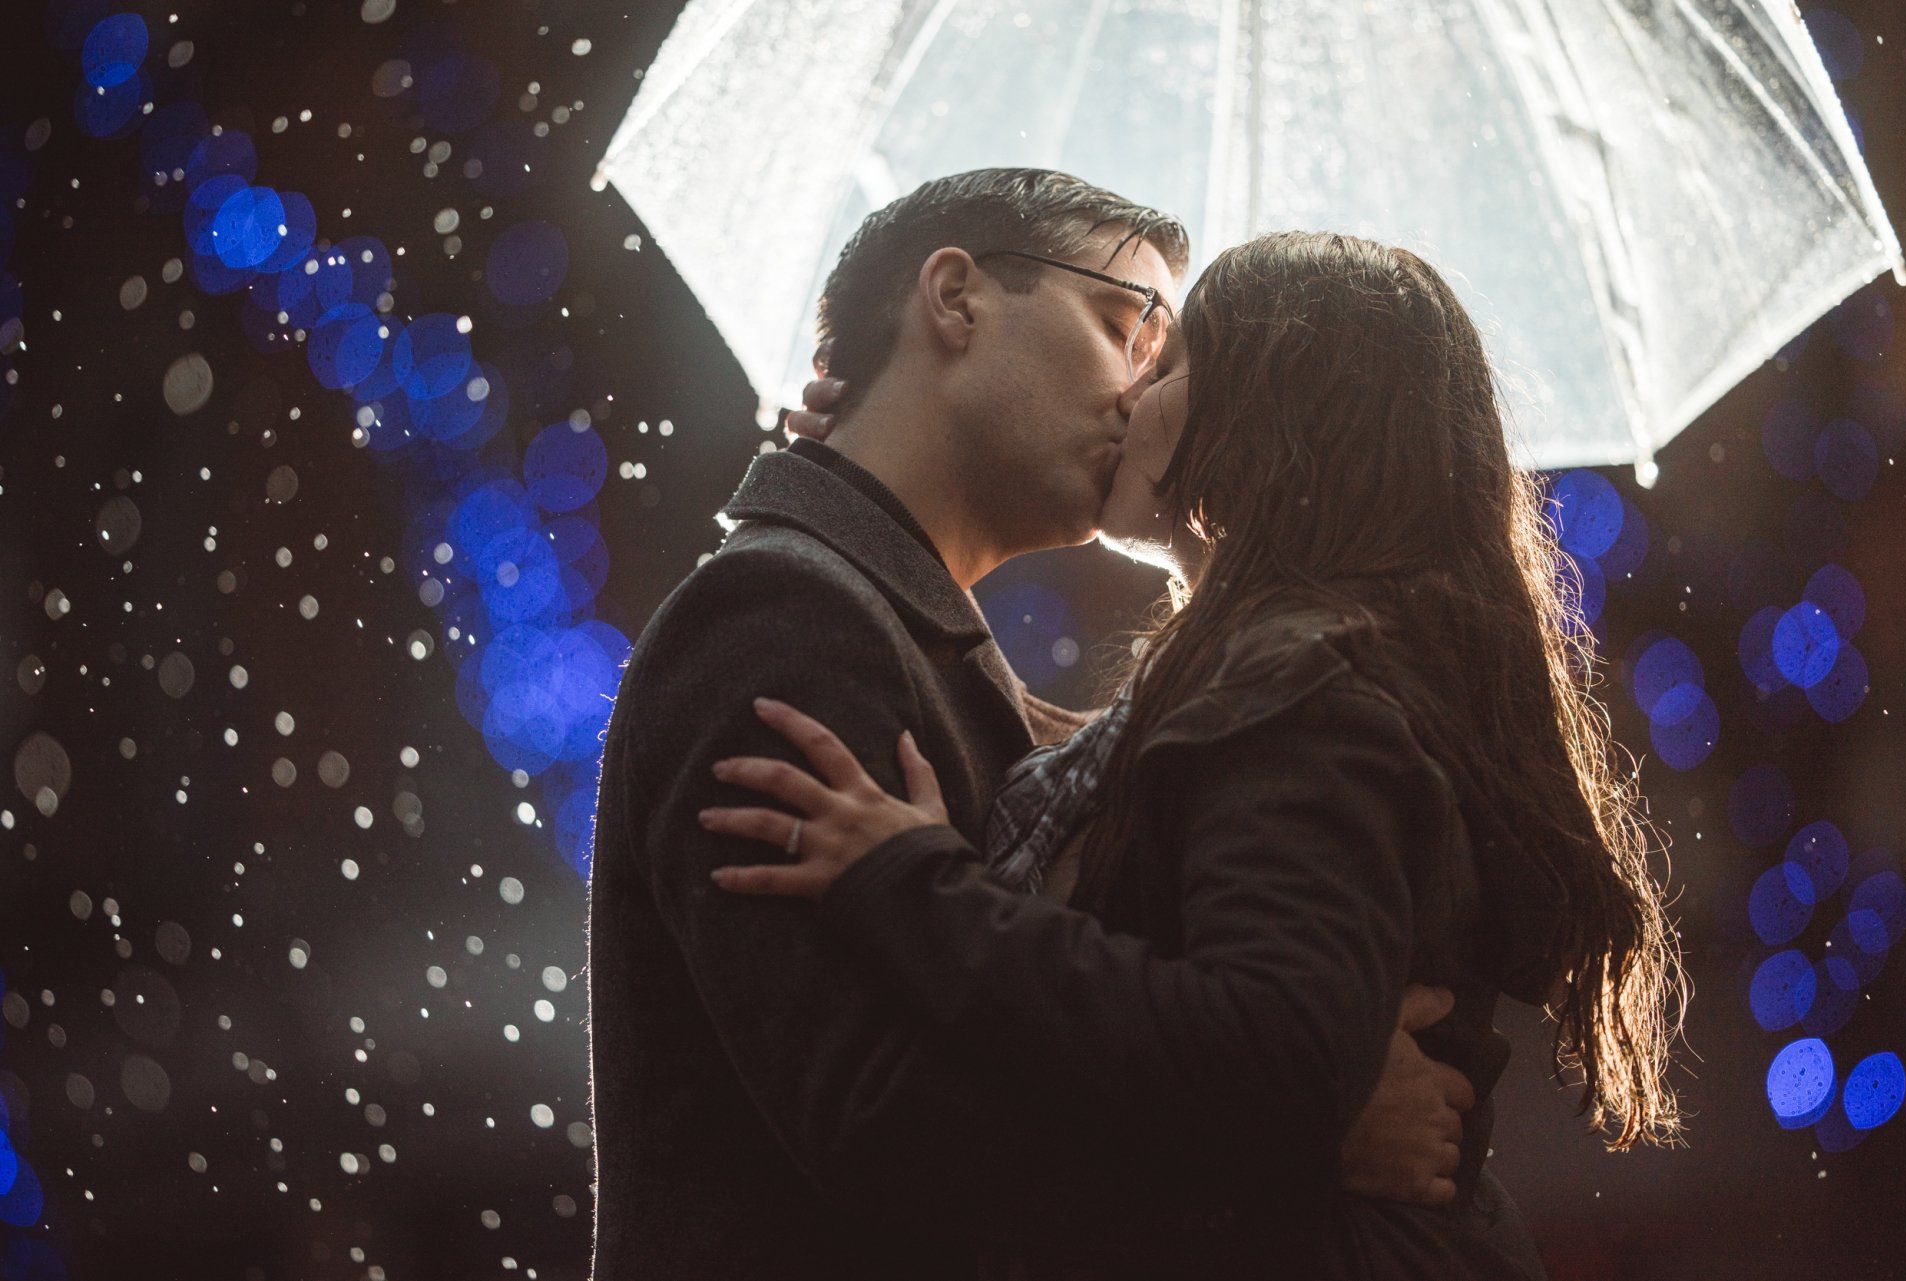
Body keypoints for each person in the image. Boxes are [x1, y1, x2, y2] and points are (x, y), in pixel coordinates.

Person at [701, 230, 1688, 1277]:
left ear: (1271, 416)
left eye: (1165, 364)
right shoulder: (1276, 686)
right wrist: (866, 470)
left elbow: (1265, 1054)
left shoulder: (1303, 704)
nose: (1128, 398)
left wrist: (917, 890)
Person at [586, 173, 1475, 1281]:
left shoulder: (910, 636)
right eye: (1123, 326)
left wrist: (1301, 1062)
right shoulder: (777, 618)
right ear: (954, 300)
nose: (1145, 398)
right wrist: (1305, 1139)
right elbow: (893, 1127)